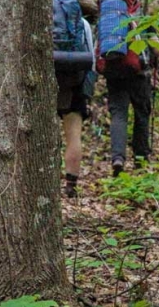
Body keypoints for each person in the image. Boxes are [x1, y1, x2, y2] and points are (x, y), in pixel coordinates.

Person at [95, 0, 159, 176]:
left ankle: (117, 157)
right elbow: (157, 48)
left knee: (118, 114)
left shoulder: (105, 19)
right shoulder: (140, 18)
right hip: (138, 73)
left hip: (113, 71)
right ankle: (141, 158)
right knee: (141, 113)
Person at [60, 16, 97, 198]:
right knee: (73, 135)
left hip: (40, 83)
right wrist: (87, 92)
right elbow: (91, 59)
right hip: (74, 85)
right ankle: (71, 186)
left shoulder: (34, 15)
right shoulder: (80, 22)